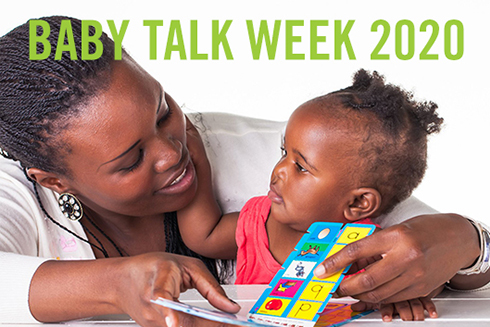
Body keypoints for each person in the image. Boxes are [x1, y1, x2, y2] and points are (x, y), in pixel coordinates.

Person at [0, 15, 489, 326]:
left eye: (163, 111)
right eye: (130, 160)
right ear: (53, 180)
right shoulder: (17, 193)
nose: (172, 152)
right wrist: (115, 284)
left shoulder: (285, 153)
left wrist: (465, 242)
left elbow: (435, 247)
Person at [182, 69, 446, 320]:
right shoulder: (258, 221)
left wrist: (408, 295)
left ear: (358, 203)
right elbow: (204, 235)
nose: (279, 171)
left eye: (300, 167)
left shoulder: (369, 250)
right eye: (284, 152)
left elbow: (422, 275)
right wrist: (195, 159)